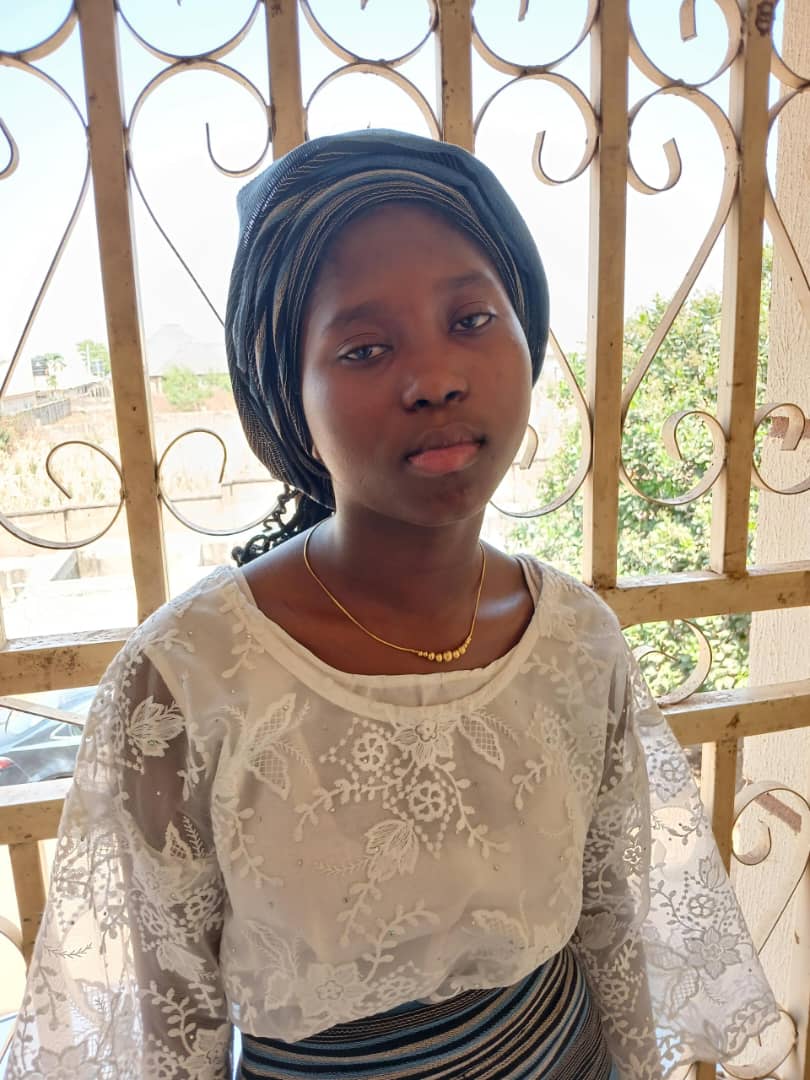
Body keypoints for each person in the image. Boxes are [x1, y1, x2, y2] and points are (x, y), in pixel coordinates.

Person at [8, 130, 778, 1080]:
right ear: (289, 399)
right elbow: (173, 1028)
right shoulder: (190, 679)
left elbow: (613, 928)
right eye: (366, 347)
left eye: (472, 319)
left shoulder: (576, 639)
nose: (437, 379)